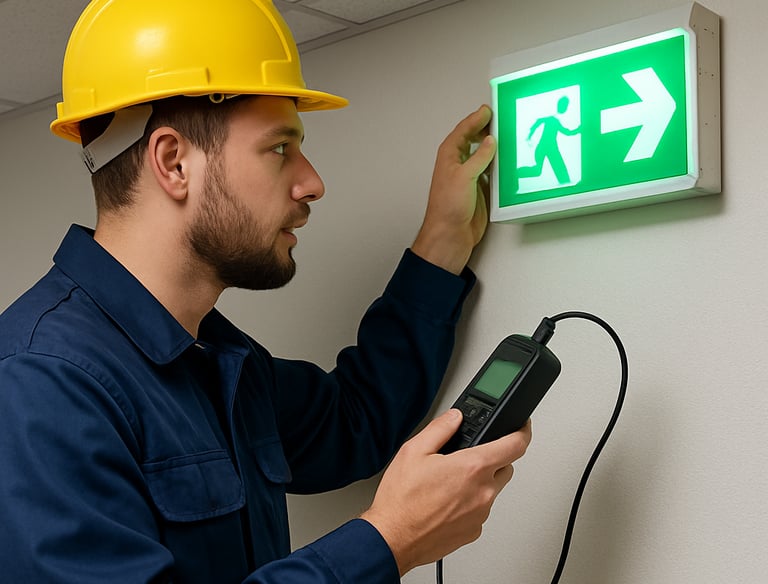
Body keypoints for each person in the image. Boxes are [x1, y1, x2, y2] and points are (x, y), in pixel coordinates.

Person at [0, 1, 532, 582]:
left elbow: (357, 420)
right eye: (279, 148)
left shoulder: (219, 362)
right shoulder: (39, 382)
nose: (313, 182)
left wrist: (441, 242)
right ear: (174, 163)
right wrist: (389, 542)